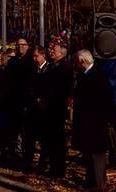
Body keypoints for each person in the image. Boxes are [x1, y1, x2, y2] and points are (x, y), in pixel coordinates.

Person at [72, 50, 113, 191]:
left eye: (77, 61)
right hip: (86, 122)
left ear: (82, 61)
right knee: (88, 154)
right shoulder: (85, 75)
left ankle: (99, 184)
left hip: (96, 122)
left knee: (97, 155)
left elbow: (105, 99)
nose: (76, 64)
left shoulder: (98, 75)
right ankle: (90, 181)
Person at [42, 42, 73, 178]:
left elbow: (64, 89)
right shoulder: (51, 66)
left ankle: (59, 169)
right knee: (49, 139)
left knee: (57, 140)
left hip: (57, 108)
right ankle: (52, 166)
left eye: (54, 50)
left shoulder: (65, 68)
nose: (51, 52)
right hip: (48, 108)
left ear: (61, 53)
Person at [22, 45, 50, 172]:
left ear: (43, 55)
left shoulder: (50, 69)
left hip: (44, 111)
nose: (34, 59)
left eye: (36, 56)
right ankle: (27, 163)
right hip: (32, 109)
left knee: (44, 141)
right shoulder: (32, 70)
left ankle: (42, 164)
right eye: (33, 56)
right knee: (29, 139)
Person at [96, 57, 116, 167]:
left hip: (114, 100)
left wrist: (106, 82)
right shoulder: (99, 62)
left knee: (115, 128)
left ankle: (115, 154)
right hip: (101, 99)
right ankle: (102, 154)